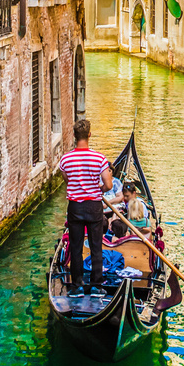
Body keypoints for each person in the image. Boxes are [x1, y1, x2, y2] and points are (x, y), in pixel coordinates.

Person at [59, 119, 113, 298]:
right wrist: (99, 189)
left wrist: (78, 186)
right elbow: (109, 184)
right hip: (93, 206)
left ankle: (77, 287)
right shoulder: (99, 158)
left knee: (75, 247)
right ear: (89, 135)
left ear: (74, 136)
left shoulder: (65, 159)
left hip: (75, 207)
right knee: (96, 246)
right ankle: (97, 286)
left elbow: (67, 180)